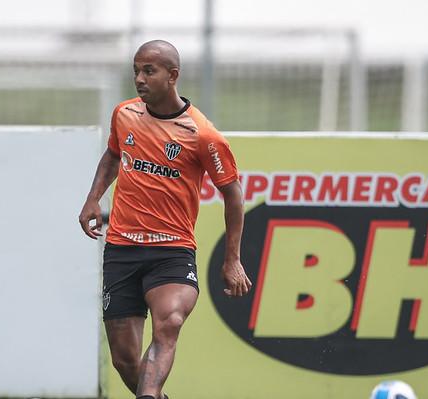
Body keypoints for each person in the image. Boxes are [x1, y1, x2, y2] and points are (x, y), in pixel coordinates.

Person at [78, 40, 251, 399]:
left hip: (171, 252)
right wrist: (94, 198)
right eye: (136, 70)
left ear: (172, 76)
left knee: (169, 323)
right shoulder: (124, 114)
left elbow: (233, 194)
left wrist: (232, 259)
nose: (139, 79)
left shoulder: (203, 135)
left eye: (149, 71)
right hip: (122, 249)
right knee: (125, 361)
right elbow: (113, 155)